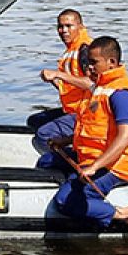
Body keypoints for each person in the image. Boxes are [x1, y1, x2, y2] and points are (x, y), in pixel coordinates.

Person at [42, 36, 128, 237]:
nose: (89, 68)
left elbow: (125, 138)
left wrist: (95, 166)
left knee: (65, 201)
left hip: (116, 165)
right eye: (88, 63)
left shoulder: (122, 94)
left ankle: (124, 214)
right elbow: (93, 129)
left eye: (93, 63)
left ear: (111, 63)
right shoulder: (99, 87)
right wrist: (64, 142)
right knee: (47, 160)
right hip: (91, 155)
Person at [31, 9, 94, 155]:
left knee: (42, 136)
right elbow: (71, 87)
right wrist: (54, 80)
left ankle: (61, 166)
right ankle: (67, 147)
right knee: (34, 121)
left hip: (87, 113)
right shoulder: (71, 49)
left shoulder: (85, 49)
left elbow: (92, 84)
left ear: (80, 27)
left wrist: (59, 74)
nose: (63, 30)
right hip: (73, 109)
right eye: (60, 26)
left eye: (69, 26)